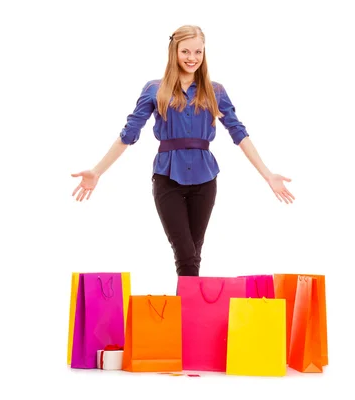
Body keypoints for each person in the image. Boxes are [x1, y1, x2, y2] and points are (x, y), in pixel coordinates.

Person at [71, 25, 295, 278]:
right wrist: (97, 171)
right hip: (168, 179)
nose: (192, 58)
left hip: (205, 179)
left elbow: (239, 133)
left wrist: (268, 175)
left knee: (193, 255)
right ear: (174, 51)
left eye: (198, 51)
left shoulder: (215, 91)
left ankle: (186, 315)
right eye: (186, 51)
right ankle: (189, 315)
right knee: (186, 253)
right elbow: (129, 135)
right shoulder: (155, 89)